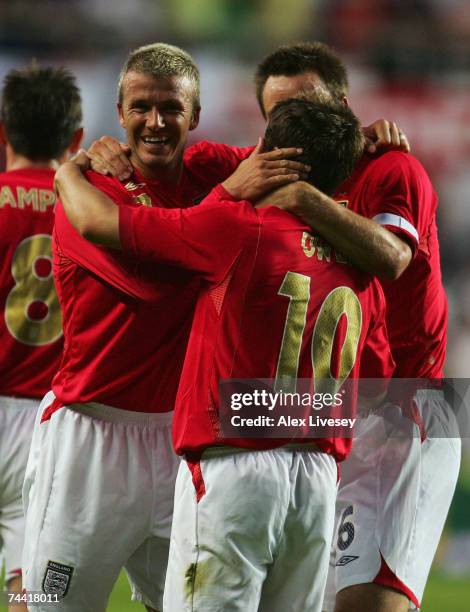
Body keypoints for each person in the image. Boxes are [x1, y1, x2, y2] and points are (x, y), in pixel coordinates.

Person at [55, 96, 395, 612]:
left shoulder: (236, 229)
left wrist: (67, 173)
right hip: (318, 477)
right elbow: (378, 376)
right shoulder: (360, 262)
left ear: (267, 153)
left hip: (237, 468)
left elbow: (103, 223)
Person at [21, 43, 307, 612]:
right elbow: (155, 283)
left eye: (171, 108)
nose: (156, 122)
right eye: (142, 108)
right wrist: (228, 200)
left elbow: (294, 160)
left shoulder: (209, 169)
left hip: (183, 442)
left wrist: (367, 142)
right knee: (46, 603)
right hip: (90, 438)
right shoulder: (90, 193)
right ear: (120, 114)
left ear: (195, 117)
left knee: (176, 604)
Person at [253, 42, 459, 612]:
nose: (299, 125)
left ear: (344, 106)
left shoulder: (392, 168)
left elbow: (392, 256)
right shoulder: (262, 178)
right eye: (280, 117)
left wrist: (302, 196)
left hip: (403, 406)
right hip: (320, 415)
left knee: (368, 605)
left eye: (312, 108)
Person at [0, 64, 82, 612]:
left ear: (3, 134)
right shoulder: (88, 214)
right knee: (30, 586)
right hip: (45, 424)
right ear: (76, 141)